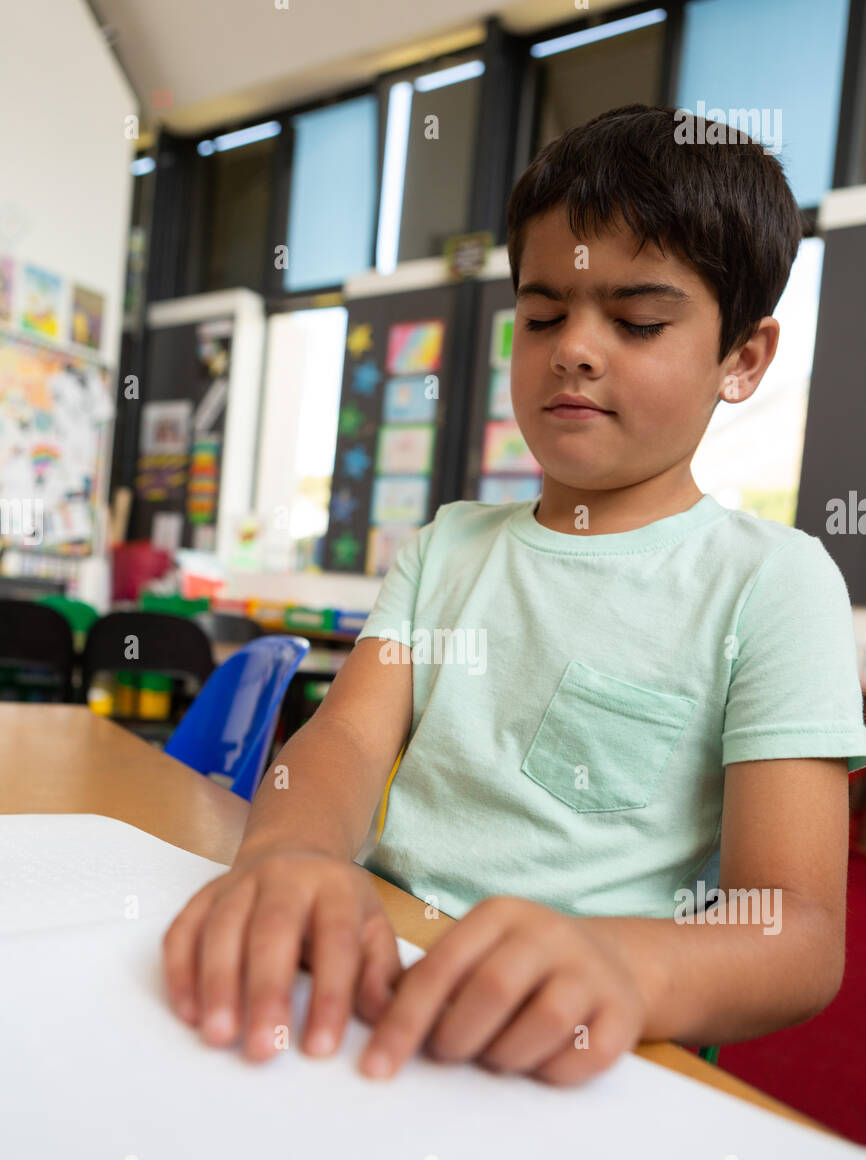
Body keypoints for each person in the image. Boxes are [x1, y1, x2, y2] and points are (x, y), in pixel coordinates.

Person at [163, 104, 866, 1087]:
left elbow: (796, 929)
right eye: (541, 314)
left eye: (636, 320)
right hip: (381, 983)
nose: (573, 348)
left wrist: (625, 960)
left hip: (565, 1044)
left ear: (741, 359)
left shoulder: (773, 584)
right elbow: (345, 742)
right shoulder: (448, 546)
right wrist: (294, 853)